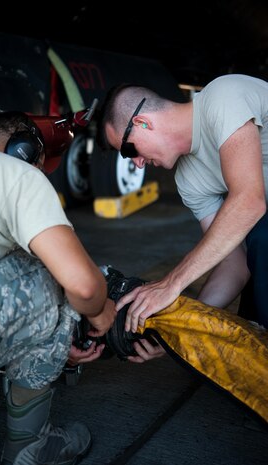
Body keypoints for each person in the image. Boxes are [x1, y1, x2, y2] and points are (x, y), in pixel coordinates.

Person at [0, 110, 118, 465]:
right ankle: (31, 445)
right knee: (50, 273)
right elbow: (81, 284)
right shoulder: (18, 175)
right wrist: (99, 310)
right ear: (26, 152)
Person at [97, 74, 268, 332]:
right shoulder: (188, 180)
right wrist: (180, 327)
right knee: (248, 327)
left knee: (262, 237)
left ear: (142, 123)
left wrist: (172, 283)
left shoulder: (223, 96)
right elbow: (235, 265)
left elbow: (249, 202)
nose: (137, 163)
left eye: (129, 151)